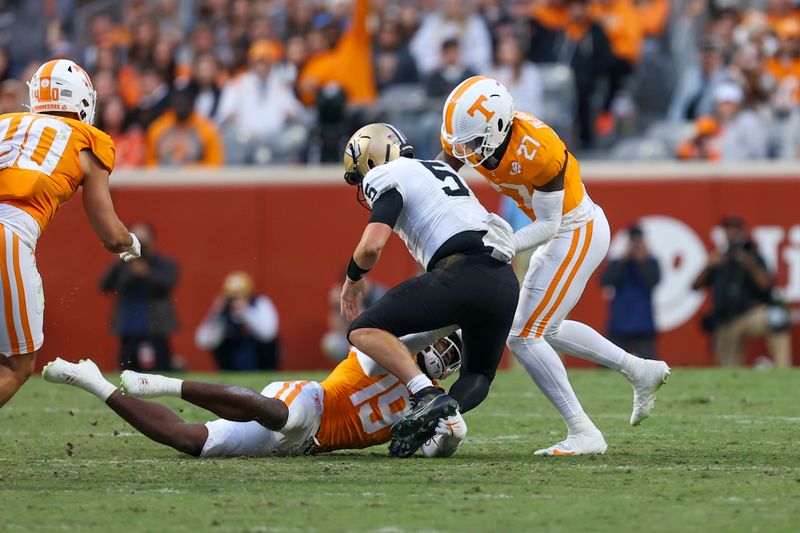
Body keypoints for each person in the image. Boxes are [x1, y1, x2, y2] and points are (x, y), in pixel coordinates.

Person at [438, 76, 670, 456]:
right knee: (545, 329)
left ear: (498, 127)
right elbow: (443, 175)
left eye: (474, 143)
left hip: (576, 228)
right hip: (560, 232)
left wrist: (508, 243)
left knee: (523, 335)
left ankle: (583, 432)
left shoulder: (538, 148)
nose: (465, 152)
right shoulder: (470, 136)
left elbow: (551, 224)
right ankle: (640, 371)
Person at [339, 123, 519, 457]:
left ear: (370, 159)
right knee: (478, 374)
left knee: (363, 330)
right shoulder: (438, 168)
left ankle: (426, 395)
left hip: (462, 271)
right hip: (505, 280)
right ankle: (443, 414)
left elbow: (372, 246)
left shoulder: (387, 174)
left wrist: (352, 281)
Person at [41, 331, 467, 458]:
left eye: (450, 351)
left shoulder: (432, 402)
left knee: (192, 442)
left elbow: (431, 452)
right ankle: (163, 383)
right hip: (311, 401)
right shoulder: (385, 353)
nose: (439, 351)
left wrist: (450, 436)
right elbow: (393, 341)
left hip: (306, 448)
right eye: (442, 339)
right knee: (282, 413)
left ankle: (92, 381)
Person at [0, 59, 141, 408]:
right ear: (81, 100)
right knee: (16, 367)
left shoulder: (4, 123)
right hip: (8, 233)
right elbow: (111, 235)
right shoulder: (88, 139)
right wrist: (132, 244)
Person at [692, 216, 792, 368]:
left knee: (777, 319)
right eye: (728, 230)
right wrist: (709, 265)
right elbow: (695, 286)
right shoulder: (720, 260)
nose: (731, 234)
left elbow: (766, 285)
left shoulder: (753, 256)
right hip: (727, 319)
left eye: (735, 230)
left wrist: (747, 262)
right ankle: (733, 384)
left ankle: (783, 370)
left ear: (742, 232)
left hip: (750, 314)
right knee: (727, 367)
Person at [100, 222, 178, 371]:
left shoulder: (164, 264)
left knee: (161, 366)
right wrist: (120, 258)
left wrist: (145, 273)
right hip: (128, 324)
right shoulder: (123, 264)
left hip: (156, 325)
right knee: (128, 366)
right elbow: (104, 286)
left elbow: (167, 284)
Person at [195, 271, 280, 371]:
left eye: (242, 296)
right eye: (233, 297)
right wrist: (216, 315)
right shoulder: (223, 310)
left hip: (259, 358)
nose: (237, 301)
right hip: (232, 359)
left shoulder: (260, 303)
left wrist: (247, 313)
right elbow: (203, 342)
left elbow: (268, 334)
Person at [601, 224, 661, 360]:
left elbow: (652, 282)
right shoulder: (619, 262)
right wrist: (623, 259)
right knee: (612, 361)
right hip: (620, 321)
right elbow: (605, 280)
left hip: (643, 322)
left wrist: (642, 261)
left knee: (648, 359)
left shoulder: (651, 262)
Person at [145, 88, 224, 167]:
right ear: (171, 103)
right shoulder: (158, 128)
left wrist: (190, 169)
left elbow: (215, 164)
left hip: (195, 178)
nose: (181, 103)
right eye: (177, 100)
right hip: (163, 177)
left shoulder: (207, 129)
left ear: (192, 103)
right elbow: (149, 163)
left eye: (185, 100)